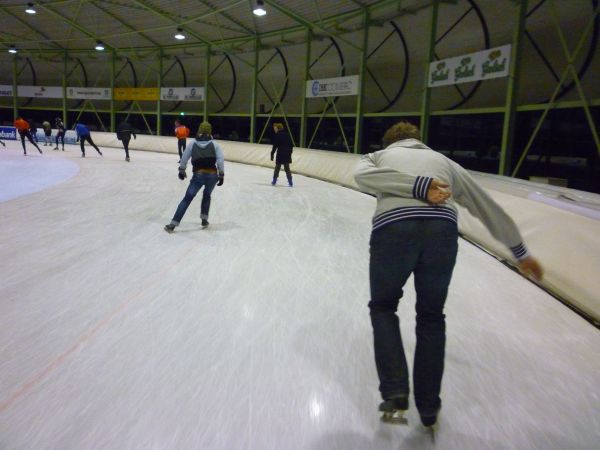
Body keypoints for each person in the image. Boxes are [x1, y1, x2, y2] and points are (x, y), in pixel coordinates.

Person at [353, 121, 543, 428]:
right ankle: (428, 408)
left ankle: (395, 391)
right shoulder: (446, 163)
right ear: (419, 141)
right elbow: (485, 206)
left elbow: (361, 176)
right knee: (431, 316)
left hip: (394, 229)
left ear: (389, 143)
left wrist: (416, 187)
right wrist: (519, 251)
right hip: (442, 230)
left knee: (384, 307)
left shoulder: (377, 157)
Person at [164, 121, 224, 233]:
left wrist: (182, 170)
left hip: (198, 175)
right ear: (210, 131)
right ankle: (204, 220)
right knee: (207, 195)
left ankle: (173, 224)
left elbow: (185, 157)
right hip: (212, 175)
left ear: (200, 130)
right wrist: (221, 174)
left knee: (188, 198)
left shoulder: (193, 143)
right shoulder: (215, 144)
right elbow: (220, 160)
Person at [270, 122, 293, 187]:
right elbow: (291, 145)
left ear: (278, 128)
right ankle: (290, 181)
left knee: (277, 168)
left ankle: (274, 181)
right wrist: (290, 153)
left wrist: (272, 154)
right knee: (287, 168)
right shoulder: (287, 134)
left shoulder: (277, 135)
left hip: (280, 154)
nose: (274, 130)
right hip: (287, 154)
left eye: (275, 128)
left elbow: (275, 146)